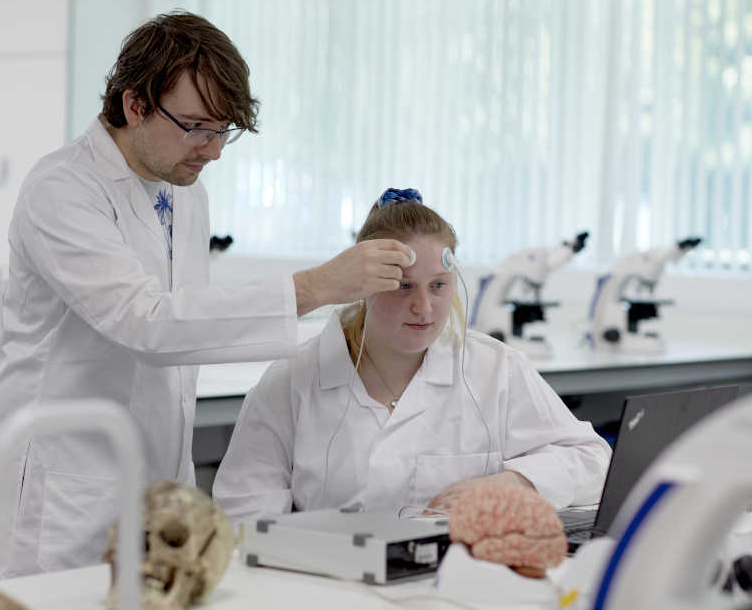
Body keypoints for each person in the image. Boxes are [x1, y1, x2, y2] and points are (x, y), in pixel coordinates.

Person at [0, 11, 412, 582]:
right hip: (56, 503)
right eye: (197, 126)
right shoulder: (62, 188)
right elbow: (147, 324)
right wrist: (317, 286)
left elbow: (187, 330)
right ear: (135, 105)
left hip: (152, 486)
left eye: (223, 130)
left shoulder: (183, 192)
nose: (213, 150)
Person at [213, 190, 612, 523]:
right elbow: (243, 513)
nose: (423, 307)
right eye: (403, 286)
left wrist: (513, 483)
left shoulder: (495, 370)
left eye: (439, 286)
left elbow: (591, 458)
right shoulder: (293, 379)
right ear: (363, 285)